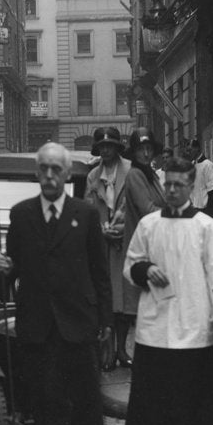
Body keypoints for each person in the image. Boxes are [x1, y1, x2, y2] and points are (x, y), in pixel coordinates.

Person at [0, 143, 113, 425]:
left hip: (78, 322)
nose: (49, 175)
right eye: (43, 168)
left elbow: (100, 272)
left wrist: (105, 321)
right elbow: (14, 267)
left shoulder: (85, 214)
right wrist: (6, 268)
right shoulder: (21, 214)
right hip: (38, 325)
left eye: (56, 169)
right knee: (47, 404)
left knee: (87, 403)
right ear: (37, 173)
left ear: (66, 174)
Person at [123, 158, 213, 425]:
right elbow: (132, 262)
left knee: (189, 381)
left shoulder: (205, 226)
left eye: (179, 184)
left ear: (191, 186)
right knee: (158, 381)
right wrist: (145, 270)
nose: (172, 190)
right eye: (169, 184)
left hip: (192, 312)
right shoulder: (149, 225)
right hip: (157, 315)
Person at [117, 127, 167, 368]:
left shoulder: (151, 174)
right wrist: (173, 213)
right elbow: (147, 209)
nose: (146, 154)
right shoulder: (136, 175)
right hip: (141, 243)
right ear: (134, 153)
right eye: (141, 150)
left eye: (149, 149)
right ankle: (126, 352)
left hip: (154, 242)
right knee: (135, 304)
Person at [84, 127, 131, 370]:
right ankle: (108, 351)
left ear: (117, 147)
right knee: (106, 297)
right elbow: (88, 208)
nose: (105, 150)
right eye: (101, 146)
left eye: (109, 145)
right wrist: (99, 230)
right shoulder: (93, 175)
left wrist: (122, 228)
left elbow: (135, 205)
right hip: (102, 243)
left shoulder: (131, 171)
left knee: (123, 297)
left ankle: (122, 348)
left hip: (124, 242)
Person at [187, 138, 213, 217]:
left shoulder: (208, 165)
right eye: (187, 151)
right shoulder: (191, 165)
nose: (188, 153)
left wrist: (210, 213)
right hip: (193, 209)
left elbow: (212, 191)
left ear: (197, 149)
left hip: (205, 210)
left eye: (190, 150)